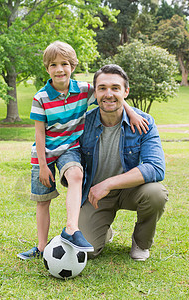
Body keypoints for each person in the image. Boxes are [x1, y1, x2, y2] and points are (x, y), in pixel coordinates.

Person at [17, 42, 149, 260]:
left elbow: (109, 95)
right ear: (47, 68)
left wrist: (131, 113)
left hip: (70, 149)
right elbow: (39, 134)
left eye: (65, 64)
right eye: (53, 65)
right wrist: (42, 165)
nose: (59, 69)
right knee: (43, 202)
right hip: (45, 154)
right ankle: (41, 247)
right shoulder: (40, 98)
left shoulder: (85, 90)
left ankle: (71, 230)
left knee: (76, 175)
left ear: (73, 66)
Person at [77, 64, 168, 261]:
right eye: (102, 88)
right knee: (87, 250)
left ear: (126, 91)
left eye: (115, 88)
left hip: (131, 190)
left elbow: (156, 168)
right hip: (96, 196)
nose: (108, 94)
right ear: (95, 93)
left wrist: (109, 183)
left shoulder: (144, 122)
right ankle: (103, 230)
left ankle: (141, 242)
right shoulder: (84, 123)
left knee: (156, 193)